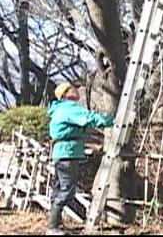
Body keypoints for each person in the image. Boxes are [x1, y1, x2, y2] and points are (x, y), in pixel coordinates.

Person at [45, 82, 114, 235]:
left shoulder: (59, 109)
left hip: (59, 153)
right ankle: (52, 227)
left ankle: (54, 223)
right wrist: (111, 120)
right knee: (67, 190)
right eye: (72, 88)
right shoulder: (70, 108)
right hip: (68, 153)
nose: (76, 90)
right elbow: (88, 118)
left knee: (58, 188)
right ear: (65, 94)